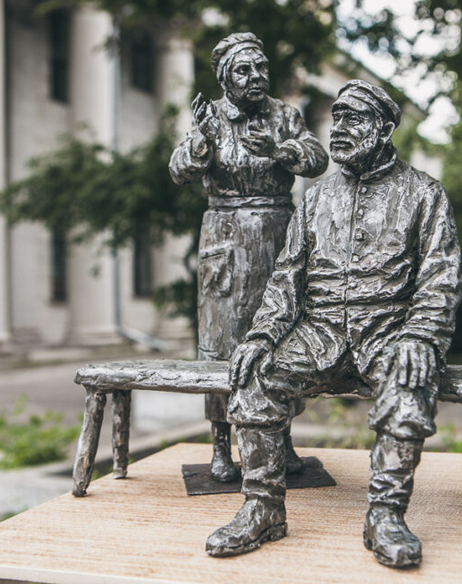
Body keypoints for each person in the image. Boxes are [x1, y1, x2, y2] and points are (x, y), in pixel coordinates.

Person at [205, 80, 462, 568]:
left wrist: (421, 336)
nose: (340, 128)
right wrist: (262, 336)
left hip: (389, 330)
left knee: (409, 386)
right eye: (337, 117)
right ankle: (262, 509)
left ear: (384, 129)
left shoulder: (424, 194)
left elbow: (439, 280)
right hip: (319, 332)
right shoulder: (316, 198)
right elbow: (286, 279)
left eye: (355, 119)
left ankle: (385, 516)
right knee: (254, 374)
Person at [169, 33, 328, 482]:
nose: (255, 76)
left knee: (281, 338)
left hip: (279, 237)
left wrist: (278, 150)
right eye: (244, 69)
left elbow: (317, 158)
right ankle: (222, 446)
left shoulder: (284, 114)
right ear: (224, 78)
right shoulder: (211, 118)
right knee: (223, 344)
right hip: (226, 240)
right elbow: (179, 169)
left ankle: (284, 441)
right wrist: (202, 140)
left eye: (261, 67)